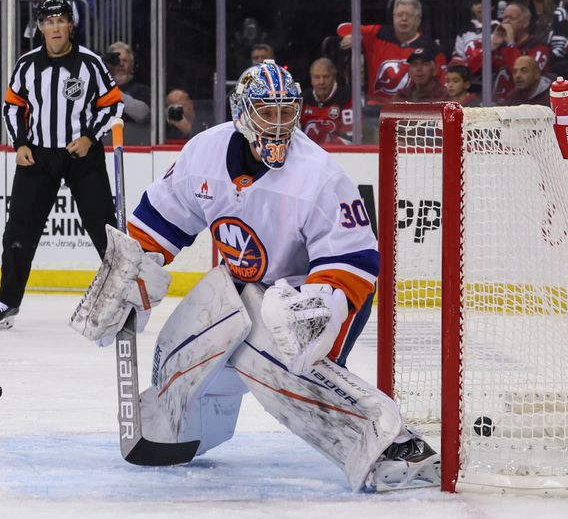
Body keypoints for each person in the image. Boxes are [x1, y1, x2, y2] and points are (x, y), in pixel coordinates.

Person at [70, 60, 441, 493]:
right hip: (242, 288)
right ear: (242, 113)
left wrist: (317, 312)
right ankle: (175, 431)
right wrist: (127, 278)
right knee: (179, 349)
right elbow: (159, 225)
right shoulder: (203, 154)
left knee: (266, 343)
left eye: (288, 112)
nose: (281, 124)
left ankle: (393, 446)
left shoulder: (319, 174)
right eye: (269, 112)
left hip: (312, 303)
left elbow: (356, 262)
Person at [0, 0, 124, 328]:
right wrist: (18, 144)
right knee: (19, 230)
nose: (55, 27)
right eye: (48, 22)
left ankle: (122, 298)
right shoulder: (27, 65)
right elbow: (12, 106)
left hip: (82, 154)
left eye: (61, 20)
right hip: (37, 156)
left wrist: (90, 136)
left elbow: (112, 105)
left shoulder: (90, 63)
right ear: (40, 28)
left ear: (71, 24)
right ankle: (7, 301)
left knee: (103, 227)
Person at [337, 0, 446, 104]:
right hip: (376, 107)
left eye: (409, 15)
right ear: (393, 17)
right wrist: (355, 35)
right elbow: (342, 28)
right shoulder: (377, 34)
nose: (403, 19)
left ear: (418, 20)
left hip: (413, 108)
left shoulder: (432, 49)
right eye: (399, 15)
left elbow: (443, 85)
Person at [467, 2, 550, 102]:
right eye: (504, 18)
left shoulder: (538, 46)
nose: (506, 22)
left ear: (525, 22)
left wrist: (511, 44)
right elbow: (471, 70)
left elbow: (527, 75)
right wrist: (492, 47)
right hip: (497, 105)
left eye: (511, 18)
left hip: (526, 104)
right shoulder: (499, 47)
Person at [106, 41, 151, 145]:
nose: (121, 64)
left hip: (134, 148)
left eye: (125, 60)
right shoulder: (97, 90)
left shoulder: (142, 90)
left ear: (132, 65)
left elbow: (143, 113)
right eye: (116, 60)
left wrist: (110, 91)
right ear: (108, 65)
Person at [300, 57, 353, 145]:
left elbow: (350, 137)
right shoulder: (303, 99)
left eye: (326, 77)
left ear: (334, 78)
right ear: (311, 79)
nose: (321, 82)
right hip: (308, 155)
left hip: (337, 155)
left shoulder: (346, 98)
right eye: (317, 77)